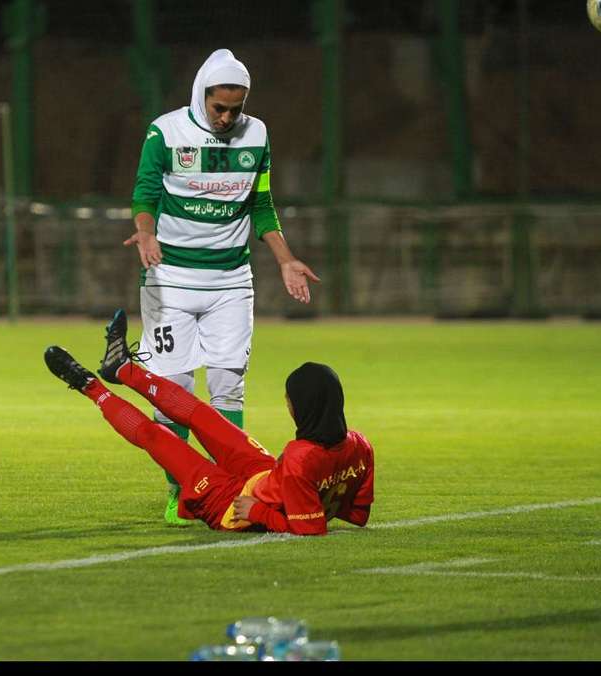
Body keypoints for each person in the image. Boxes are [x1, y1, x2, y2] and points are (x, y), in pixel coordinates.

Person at [125, 48, 321, 525]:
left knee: (227, 386)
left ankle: (231, 487)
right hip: (170, 279)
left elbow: (261, 203)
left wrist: (286, 260)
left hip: (231, 281)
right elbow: (145, 192)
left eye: (236, 108)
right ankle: (180, 491)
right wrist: (146, 231)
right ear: (201, 95)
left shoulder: (257, 134)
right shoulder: (165, 132)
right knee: (172, 388)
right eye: (219, 108)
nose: (228, 118)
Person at [43, 310, 373, 535]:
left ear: (304, 407)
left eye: (290, 400)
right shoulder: (360, 445)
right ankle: (122, 369)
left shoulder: (301, 457)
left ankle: (89, 386)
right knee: (203, 415)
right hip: (267, 477)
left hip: (230, 505)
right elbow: (358, 514)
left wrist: (259, 513)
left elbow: (310, 529)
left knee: (157, 437)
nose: (287, 404)